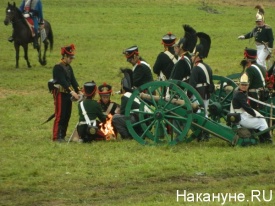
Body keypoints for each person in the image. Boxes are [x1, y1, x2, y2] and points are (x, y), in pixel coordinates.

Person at [52, 44, 82, 142]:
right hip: (60, 94)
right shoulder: (58, 67)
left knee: (67, 114)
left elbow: (73, 80)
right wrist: (72, 92)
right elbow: (63, 82)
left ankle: (63, 134)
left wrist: (79, 90)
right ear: (64, 56)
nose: (71, 60)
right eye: (70, 57)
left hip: (68, 94)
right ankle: (57, 136)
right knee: (60, 114)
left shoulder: (69, 67)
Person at [231, 73, 272, 144]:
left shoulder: (242, 92)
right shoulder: (239, 94)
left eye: (245, 85)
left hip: (243, 115)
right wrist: (255, 115)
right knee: (261, 122)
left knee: (261, 119)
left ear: (248, 85)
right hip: (241, 117)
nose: (244, 86)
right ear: (239, 85)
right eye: (242, 85)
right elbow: (246, 107)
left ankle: (263, 139)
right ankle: (267, 140)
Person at [238, 5, 274, 69]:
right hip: (258, 47)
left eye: (259, 21)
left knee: (259, 61)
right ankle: (265, 75)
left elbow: (271, 39)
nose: (258, 23)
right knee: (262, 62)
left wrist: (270, 48)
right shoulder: (256, 28)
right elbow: (251, 34)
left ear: (263, 20)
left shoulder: (268, 28)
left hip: (265, 47)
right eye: (257, 21)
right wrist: (244, 36)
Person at [112, 68, 142, 139]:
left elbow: (123, 112)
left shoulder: (125, 96)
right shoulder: (136, 94)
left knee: (115, 118)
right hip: (143, 119)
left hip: (137, 119)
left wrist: (117, 111)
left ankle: (127, 136)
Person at [189, 32, 214, 118]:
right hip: (207, 94)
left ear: (197, 56)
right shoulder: (208, 67)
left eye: (193, 55)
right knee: (205, 113)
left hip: (197, 95)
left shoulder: (196, 68)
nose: (191, 57)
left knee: (199, 113)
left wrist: (187, 96)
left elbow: (192, 85)